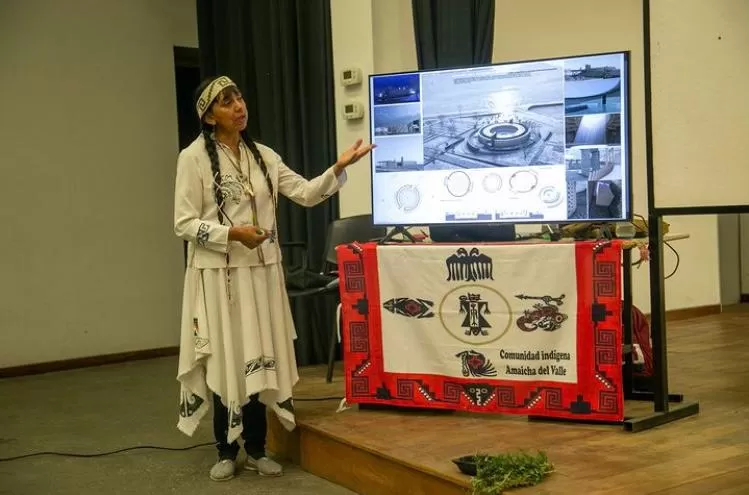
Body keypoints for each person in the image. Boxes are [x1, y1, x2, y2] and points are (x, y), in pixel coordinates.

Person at [173, 75, 373, 481]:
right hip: (219, 278)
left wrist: (338, 167)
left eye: (240, 97)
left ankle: (259, 447)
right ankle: (226, 450)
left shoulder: (263, 155)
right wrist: (232, 233)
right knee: (229, 357)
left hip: (262, 274)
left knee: (259, 358)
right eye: (227, 102)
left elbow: (305, 192)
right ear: (210, 116)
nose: (239, 106)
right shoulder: (192, 158)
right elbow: (183, 223)